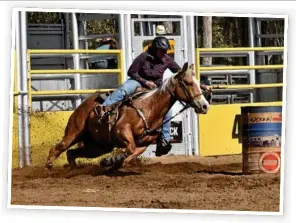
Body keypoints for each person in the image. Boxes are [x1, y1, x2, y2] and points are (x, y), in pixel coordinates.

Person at [99, 36, 211, 156]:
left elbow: (181, 74)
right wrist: (145, 82)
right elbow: (131, 72)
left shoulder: (167, 59)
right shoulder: (144, 56)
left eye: (165, 50)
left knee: (167, 111)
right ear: (155, 49)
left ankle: (164, 140)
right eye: (162, 50)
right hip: (139, 82)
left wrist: (202, 87)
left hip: (156, 88)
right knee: (124, 89)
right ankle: (104, 107)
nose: (164, 53)